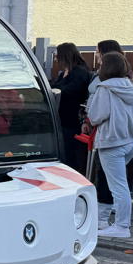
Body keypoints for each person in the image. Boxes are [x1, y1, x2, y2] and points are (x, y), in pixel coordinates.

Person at [87, 52, 133, 239]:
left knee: (118, 187)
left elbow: (96, 116)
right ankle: (117, 223)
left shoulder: (105, 89)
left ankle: (121, 226)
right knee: (121, 185)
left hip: (112, 142)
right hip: (131, 141)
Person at [50, 42, 91, 174]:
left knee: (71, 154)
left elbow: (70, 91)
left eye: (58, 55)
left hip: (72, 119)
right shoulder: (64, 73)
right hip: (62, 118)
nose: (56, 59)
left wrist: (56, 88)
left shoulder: (80, 72)